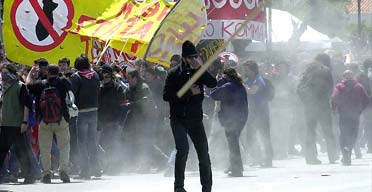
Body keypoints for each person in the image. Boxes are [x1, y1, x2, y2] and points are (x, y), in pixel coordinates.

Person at [163, 40, 217, 192]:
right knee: (183, 150)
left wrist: (200, 68)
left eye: (195, 57)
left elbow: (213, 83)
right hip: (178, 119)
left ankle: (207, 187)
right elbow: (166, 96)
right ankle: (179, 187)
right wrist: (188, 93)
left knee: (203, 153)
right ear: (183, 58)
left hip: (195, 119)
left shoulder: (198, 71)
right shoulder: (173, 73)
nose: (192, 60)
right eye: (190, 57)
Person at [26, 64, 71, 183]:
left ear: (47, 72)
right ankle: (63, 172)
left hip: (44, 121)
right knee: (64, 147)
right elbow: (69, 85)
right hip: (61, 119)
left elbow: (28, 85)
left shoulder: (41, 84)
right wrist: (61, 74)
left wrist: (31, 73)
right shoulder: (63, 82)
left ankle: (46, 174)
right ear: (57, 72)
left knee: (45, 149)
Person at [297, 53, 338, 164]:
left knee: (310, 131)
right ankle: (332, 155)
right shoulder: (326, 70)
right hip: (323, 104)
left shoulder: (307, 71)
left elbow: (299, 87)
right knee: (328, 130)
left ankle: (310, 157)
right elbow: (330, 88)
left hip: (309, 106)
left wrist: (306, 101)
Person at [0, 64, 35, 184]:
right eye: (2, 73)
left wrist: (24, 121)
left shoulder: (20, 86)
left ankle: (29, 175)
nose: (3, 75)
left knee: (21, 151)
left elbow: (26, 105)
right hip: (4, 123)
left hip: (16, 124)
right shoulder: (2, 87)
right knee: (2, 151)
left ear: (11, 72)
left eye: (5, 72)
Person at [210, 68, 248, 177]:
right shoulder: (240, 86)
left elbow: (214, 95)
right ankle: (234, 166)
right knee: (234, 143)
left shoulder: (228, 86)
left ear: (226, 76)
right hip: (241, 117)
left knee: (233, 144)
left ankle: (236, 169)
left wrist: (220, 82)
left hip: (231, 119)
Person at [70, 54, 101, 179]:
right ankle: (97, 169)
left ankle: (85, 171)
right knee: (92, 141)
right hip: (94, 110)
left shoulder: (76, 77)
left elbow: (73, 95)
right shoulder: (95, 75)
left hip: (81, 112)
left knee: (81, 142)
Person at [331, 70, 369, 165]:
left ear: (343, 77)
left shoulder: (339, 86)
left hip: (343, 114)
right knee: (354, 134)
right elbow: (366, 99)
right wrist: (361, 109)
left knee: (343, 134)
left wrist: (334, 109)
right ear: (353, 76)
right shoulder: (358, 86)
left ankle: (345, 153)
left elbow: (334, 98)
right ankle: (349, 148)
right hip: (355, 114)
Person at [242, 61, 274, 167]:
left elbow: (252, 91)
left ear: (253, 70)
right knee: (250, 136)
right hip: (252, 113)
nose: (245, 72)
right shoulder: (248, 80)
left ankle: (268, 160)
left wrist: (241, 85)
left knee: (264, 136)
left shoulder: (258, 80)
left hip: (261, 113)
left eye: (247, 70)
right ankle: (257, 158)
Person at [97, 64, 125, 174]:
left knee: (114, 144)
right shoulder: (100, 89)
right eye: (103, 76)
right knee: (104, 144)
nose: (105, 78)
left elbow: (123, 107)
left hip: (115, 122)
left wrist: (120, 122)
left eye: (107, 75)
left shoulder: (118, 88)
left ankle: (115, 166)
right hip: (103, 123)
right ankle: (108, 164)